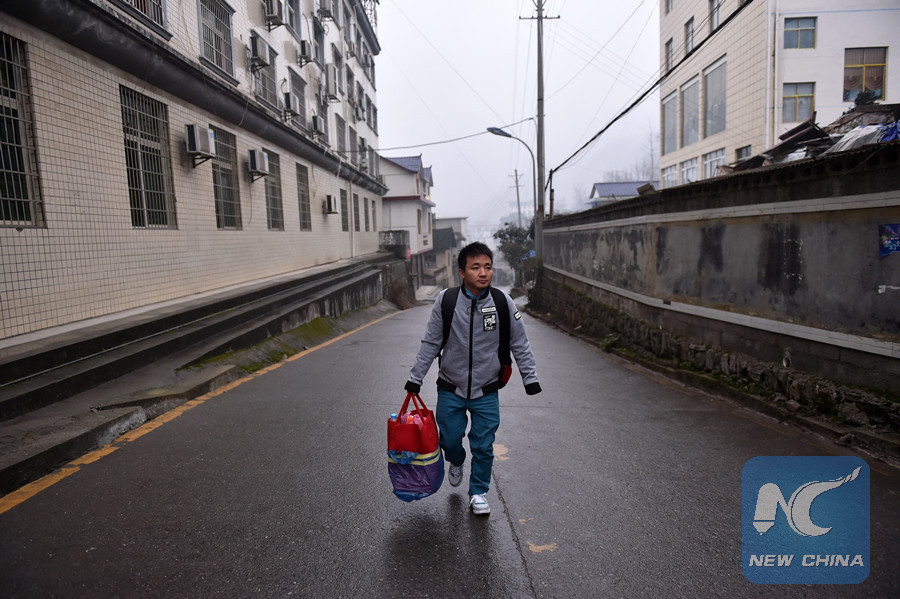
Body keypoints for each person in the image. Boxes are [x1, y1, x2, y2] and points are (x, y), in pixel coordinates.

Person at [404, 242, 541, 515]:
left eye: (487, 267)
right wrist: (415, 378)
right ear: (462, 272)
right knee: (450, 440)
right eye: (475, 267)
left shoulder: (502, 302)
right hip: (450, 387)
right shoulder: (447, 300)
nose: (483, 273)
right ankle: (456, 460)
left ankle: (478, 491)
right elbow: (431, 342)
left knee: (484, 444)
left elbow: (520, 343)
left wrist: (530, 378)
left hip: (487, 389)